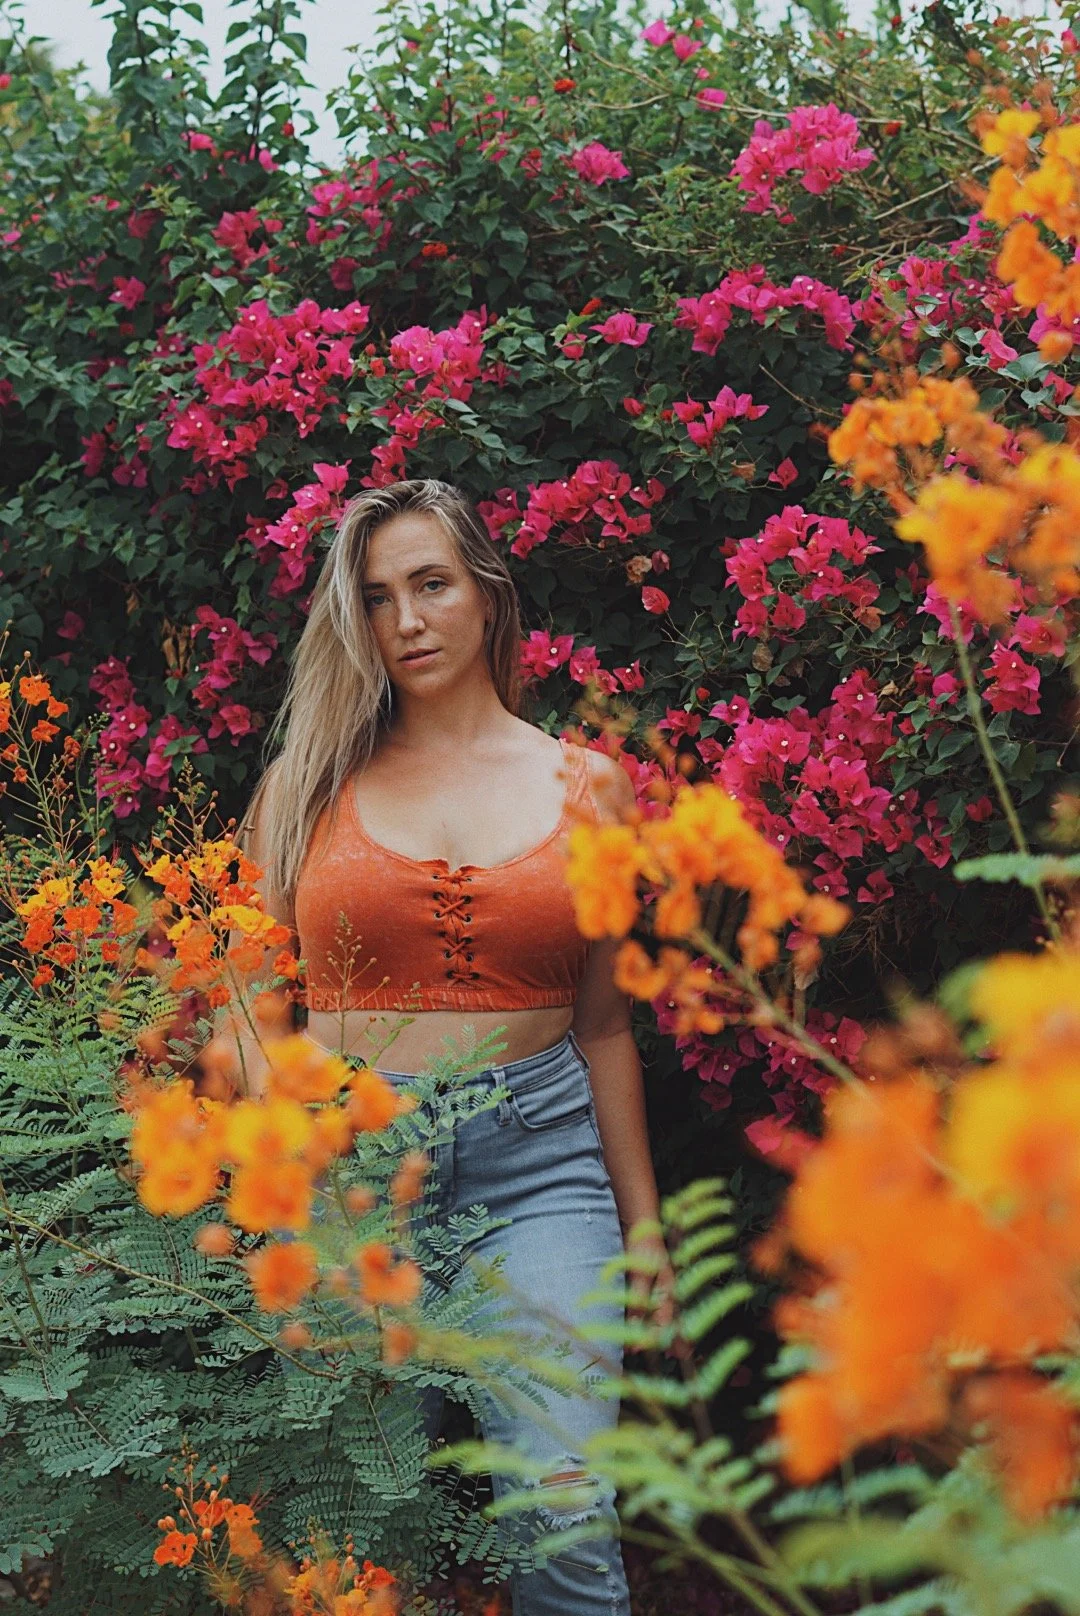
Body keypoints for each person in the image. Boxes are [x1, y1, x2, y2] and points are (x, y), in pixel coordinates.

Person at [236, 478, 673, 1616]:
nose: (408, 621)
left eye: (431, 584)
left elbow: (607, 1025)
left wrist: (646, 1229)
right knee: (359, 1544)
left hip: (542, 1171)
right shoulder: (305, 786)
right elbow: (246, 1003)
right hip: (351, 1181)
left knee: (565, 1520)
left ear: (487, 591)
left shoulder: (590, 788)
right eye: (378, 599)